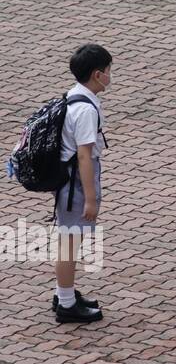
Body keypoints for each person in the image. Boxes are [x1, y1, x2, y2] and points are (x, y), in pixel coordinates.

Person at [53, 44, 112, 324]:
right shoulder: (86, 110)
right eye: (109, 70)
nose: (111, 76)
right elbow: (84, 156)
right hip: (74, 183)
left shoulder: (74, 95)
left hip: (67, 180)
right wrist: (90, 198)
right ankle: (66, 304)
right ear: (98, 74)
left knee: (69, 239)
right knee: (69, 242)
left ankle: (64, 293)